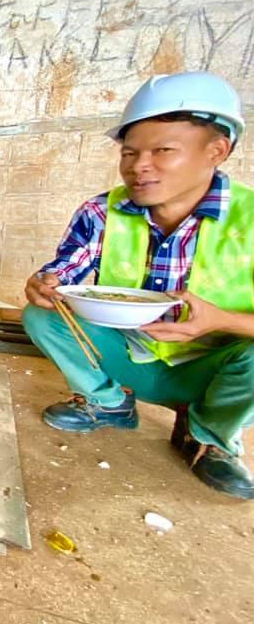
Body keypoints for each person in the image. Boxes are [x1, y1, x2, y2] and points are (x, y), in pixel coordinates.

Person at [22, 71, 254, 500]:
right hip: (128, 355)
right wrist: (45, 284)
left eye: (162, 151)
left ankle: (211, 435)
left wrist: (221, 321)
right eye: (129, 153)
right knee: (41, 315)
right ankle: (109, 402)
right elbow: (62, 272)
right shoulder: (101, 211)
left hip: (212, 368)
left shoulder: (250, 217)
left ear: (216, 151)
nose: (139, 165)